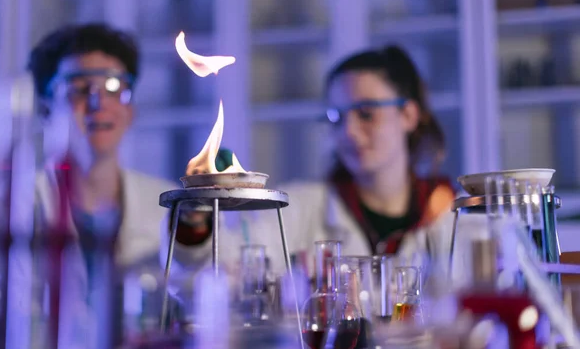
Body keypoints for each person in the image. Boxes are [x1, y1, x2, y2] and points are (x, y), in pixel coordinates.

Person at [162, 45, 460, 301]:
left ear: (408, 115)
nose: (349, 132)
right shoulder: (300, 210)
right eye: (336, 117)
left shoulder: (452, 219)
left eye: (366, 114)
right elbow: (209, 276)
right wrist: (195, 218)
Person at [0, 24, 178, 349]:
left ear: (131, 110)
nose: (99, 102)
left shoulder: (170, 207)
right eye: (79, 88)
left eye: (115, 87)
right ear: (45, 108)